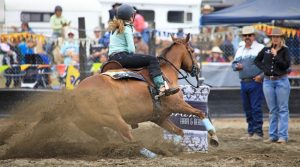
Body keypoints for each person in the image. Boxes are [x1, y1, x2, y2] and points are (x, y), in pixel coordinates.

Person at [107, 4, 179, 98]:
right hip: (123, 57)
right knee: (152, 59)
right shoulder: (127, 27)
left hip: (112, 58)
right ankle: (161, 87)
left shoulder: (115, 27)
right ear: (130, 16)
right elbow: (131, 49)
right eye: (133, 15)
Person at [254, 28, 291, 144]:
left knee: (283, 109)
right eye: (273, 37)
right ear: (271, 38)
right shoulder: (266, 50)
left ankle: (283, 136)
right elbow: (257, 60)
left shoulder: (285, 51)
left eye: (277, 37)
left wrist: (276, 56)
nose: (275, 38)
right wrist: (265, 70)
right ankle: (273, 135)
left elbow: (286, 65)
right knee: (272, 110)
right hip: (268, 81)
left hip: (282, 81)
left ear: (281, 38)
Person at [232, 26, 265, 140]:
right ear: (242, 37)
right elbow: (233, 65)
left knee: (255, 107)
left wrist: (261, 76)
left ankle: (258, 132)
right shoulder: (240, 49)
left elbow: (268, 65)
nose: (247, 37)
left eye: (249, 35)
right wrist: (237, 66)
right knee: (247, 108)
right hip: (244, 82)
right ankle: (251, 132)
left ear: (253, 36)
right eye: (245, 35)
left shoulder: (261, 48)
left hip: (255, 82)